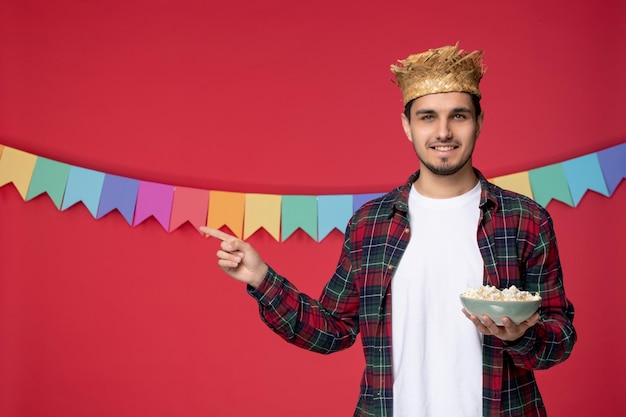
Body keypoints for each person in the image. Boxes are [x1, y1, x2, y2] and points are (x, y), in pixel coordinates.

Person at [200, 44, 576, 417]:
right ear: (406, 126)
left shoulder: (525, 219)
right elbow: (333, 330)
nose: (443, 132)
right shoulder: (370, 224)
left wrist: (521, 335)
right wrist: (262, 278)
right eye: (427, 117)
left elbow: (560, 337)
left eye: (458, 116)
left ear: (479, 122)